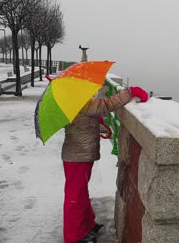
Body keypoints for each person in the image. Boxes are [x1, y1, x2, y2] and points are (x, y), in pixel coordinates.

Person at [61, 86, 148, 243]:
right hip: (77, 157)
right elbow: (108, 104)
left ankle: (86, 225)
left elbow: (81, 122)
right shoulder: (80, 101)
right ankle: (74, 236)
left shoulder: (73, 101)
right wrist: (130, 92)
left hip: (79, 155)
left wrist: (95, 120)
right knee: (74, 196)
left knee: (80, 192)